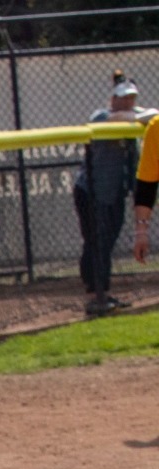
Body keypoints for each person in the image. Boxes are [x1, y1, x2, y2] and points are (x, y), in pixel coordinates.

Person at [78, 71, 153, 315]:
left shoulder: (131, 130)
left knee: (106, 243)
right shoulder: (101, 116)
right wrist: (138, 116)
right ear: (113, 99)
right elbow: (115, 119)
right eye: (123, 98)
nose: (128, 101)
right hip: (90, 192)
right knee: (95, 243)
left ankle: (103, 293)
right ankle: (94, 295)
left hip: (113, 195)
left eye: (132, 98)